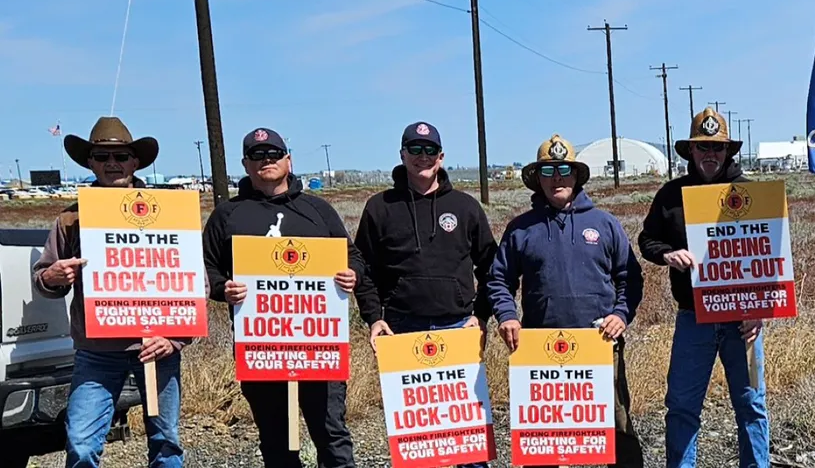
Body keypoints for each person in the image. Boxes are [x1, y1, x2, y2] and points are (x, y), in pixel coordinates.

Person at [32, 116, 187, 468]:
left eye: (121, 155)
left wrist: (176, 338)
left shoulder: (169, 213)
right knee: (82, 445)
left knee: (167, 445)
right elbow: (43, 278)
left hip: (157, 346)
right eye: (102, 156)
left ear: (136, 161)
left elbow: (194, 280)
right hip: (97, 352)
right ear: (90, 163)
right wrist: (54, 276)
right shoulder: (70, 219)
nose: (112, 163)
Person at [203, 127, 361, 468]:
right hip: (262, 349)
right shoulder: (227, 215)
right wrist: (222, 289)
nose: (266, 161)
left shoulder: (318, 210)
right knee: (276, 439)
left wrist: (352, 274)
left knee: (332, 436)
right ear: (245, 164)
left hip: (320, 349)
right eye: (257, 156)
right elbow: (209, 267)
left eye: (274, 154)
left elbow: (353, 256)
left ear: (288, 160)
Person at [485, 134, 645, 467]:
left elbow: (630, 278)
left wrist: (620, 314)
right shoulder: (520, 229)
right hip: (541, 349)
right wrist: (507, 315)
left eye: (563, 169)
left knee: (617, 426)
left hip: (600, 344)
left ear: (575, 175)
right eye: (548, 171)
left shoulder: (605, 224)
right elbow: (498, 279)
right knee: (544, 436)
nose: (557, 177)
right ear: (537, 178)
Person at [638, 108, 769, 468]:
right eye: (702, 147)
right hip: (693, 317)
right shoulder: (671, 195)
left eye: (717, 147)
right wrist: (667, 254)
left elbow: (771, 256)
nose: (710, 154)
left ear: (728, 151)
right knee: (681, 406)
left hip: (744, 320)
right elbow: (646, 239)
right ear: (690, 152)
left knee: (752, 406)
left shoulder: (752, 194)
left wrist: (760, 310)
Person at [353, 122, 496, 339]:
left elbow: (491, 266)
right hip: (398, 327)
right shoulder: (380, 207)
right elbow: (363, 268)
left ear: (441, 156)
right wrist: (374, 317)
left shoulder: (466, 207)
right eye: (415, 149)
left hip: (459, 325)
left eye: (430, 150)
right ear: (402, 155)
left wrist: (482, 314)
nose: (423, 156)